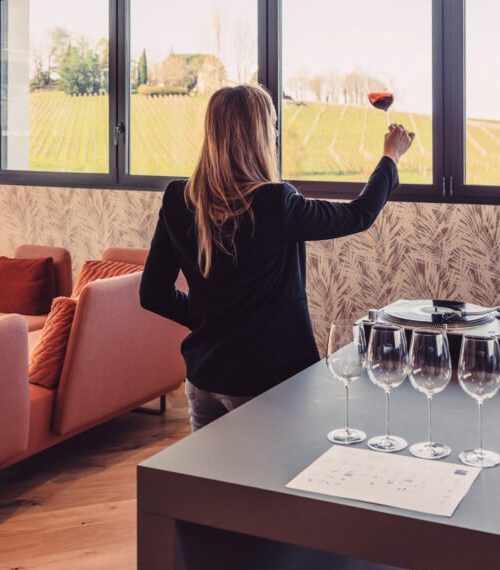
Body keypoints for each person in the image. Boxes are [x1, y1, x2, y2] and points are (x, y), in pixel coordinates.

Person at [140, 84, 414, 431]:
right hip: (269, 382)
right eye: (271, 123)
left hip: (204, 378)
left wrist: (206, 319)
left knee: (211, 483)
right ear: (259, 134)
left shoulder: (179, 197)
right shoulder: (275, 202)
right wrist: (390, 158)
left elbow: (152, 294)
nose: (275, 131)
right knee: (274, 481)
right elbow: (359, 215)